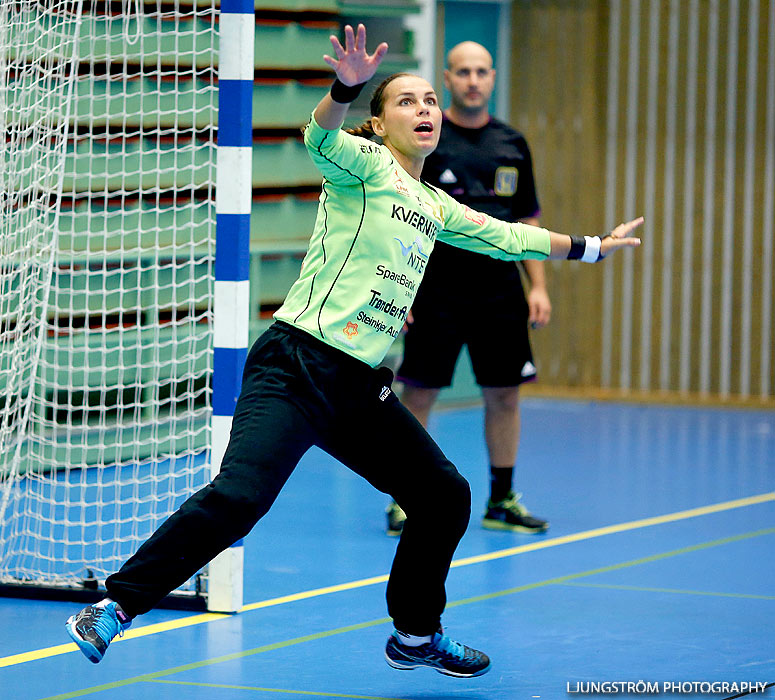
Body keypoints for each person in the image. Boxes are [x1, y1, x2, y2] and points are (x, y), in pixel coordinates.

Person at [64, 24, 642, 678]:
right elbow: (318, 132)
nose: (424, 109)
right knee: (241, 495)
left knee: (443, 496)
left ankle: (416, 635)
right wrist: (344, 85)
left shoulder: (434, 205)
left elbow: (510, 236)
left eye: (430, 100)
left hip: (355, 386)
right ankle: (114, 605)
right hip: (294, 365)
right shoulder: (359, 166)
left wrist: (595, 246)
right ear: (378, 124)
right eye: (407, 101)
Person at [387, 41, 551, 537]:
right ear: (449, 78)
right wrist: (401, 288)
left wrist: (538, 286)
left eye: (481, 71)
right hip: (434, 290)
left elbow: (527, 219)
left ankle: (502, 500)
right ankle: (404, 499)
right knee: (418, 394)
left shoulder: (512, 143)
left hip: (500, 292)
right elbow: (399, 216)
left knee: (504, 394)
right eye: (462, 72)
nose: (473, 80)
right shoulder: (427, 139)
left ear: (493, 77)